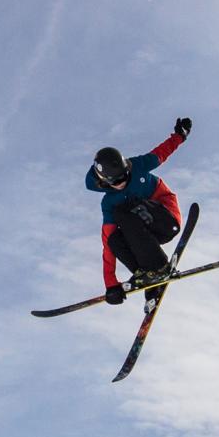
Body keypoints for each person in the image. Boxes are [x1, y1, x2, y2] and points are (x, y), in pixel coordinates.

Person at [88, 117, 192, 307]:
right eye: (116, 182)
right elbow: (108, 245)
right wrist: (111, 284)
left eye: (125, 177)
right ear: (105, 183)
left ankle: (158, 267)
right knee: (114, 238)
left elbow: (161, 152)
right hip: (145, 235)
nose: (123, 183)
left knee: (127, 209)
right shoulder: (108, 202)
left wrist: (179, 136)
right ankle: (149, 276)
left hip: (166, 219)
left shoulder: (139, 166)